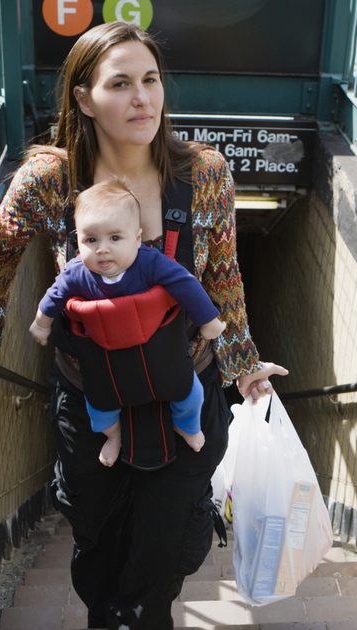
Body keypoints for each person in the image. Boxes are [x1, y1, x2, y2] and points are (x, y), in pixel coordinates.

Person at [0, 20, 288, 629]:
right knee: (97, 538)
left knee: (167, 541)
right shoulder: (50, 180)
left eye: (150, 80)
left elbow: (222, 277)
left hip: (182, 390)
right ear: (85, 99)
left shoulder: (204, 175)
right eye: (120, 84)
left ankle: (141, 614)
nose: (142, 98)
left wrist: (244, 366)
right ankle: (111, 614)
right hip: (91, 400)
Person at [29, 178, 227, 467]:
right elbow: (54, 296)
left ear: (137, 238)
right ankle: (114, 435)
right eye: (90, 240)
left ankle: (187, 426)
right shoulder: (76, 273)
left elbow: (186, 285)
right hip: (107, 364)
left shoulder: (150, 263)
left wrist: (208, 320)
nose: (102, 249)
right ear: (78, 240)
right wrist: (41, 323)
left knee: (191, 393)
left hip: (158, 356)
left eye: (115, 238)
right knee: (99, 408)